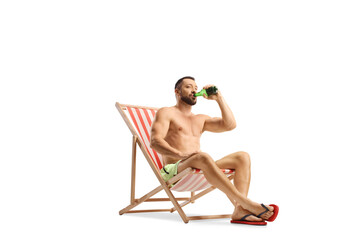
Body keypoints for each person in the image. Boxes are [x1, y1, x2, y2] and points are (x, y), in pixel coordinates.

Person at [150, 76, 278, 224]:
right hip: (175, 171)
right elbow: (155, 142)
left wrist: (219, 98)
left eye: (196, 88)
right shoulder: (166, 112)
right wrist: (181, 154)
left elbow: (229, 125)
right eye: (189, 87)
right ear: (177, 91)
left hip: (199, 165)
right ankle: (246, 203)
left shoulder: (200, 118)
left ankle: (239, 210)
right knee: (202, 157)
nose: (194, 90)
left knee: (242, 157)